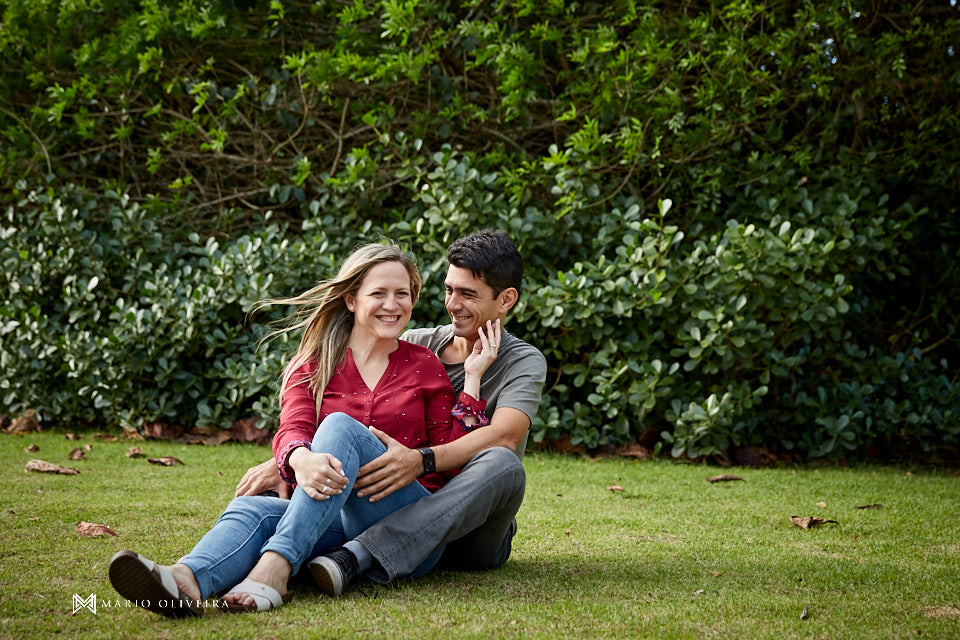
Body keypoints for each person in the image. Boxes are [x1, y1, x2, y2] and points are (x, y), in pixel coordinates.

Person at [107, 242, 500, 616]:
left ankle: (276, 568)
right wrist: (299, 458)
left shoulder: (423, 364)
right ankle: (185, 581)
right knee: (253, 509)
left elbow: (449, 460)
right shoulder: (312, 364)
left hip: (409, 529)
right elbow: (291, 428)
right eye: (379, 293)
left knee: (339, 427)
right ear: (351, 299)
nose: (393, 305)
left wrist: (471, 380)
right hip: (335, 526)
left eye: (403, 294)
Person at [236, 229, 548, 596]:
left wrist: (422, 459)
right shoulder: (416, 345)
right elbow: (354, 423)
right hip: (402, 503)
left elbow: (504, 436)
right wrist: (288, 458)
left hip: (472, 530)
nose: (453, 303)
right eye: (449, 289)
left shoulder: (523, 361)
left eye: (468, 294)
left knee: (502, 463)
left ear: (506, 299)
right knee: (267, 508)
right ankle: (307, 560)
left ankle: (357, 554)